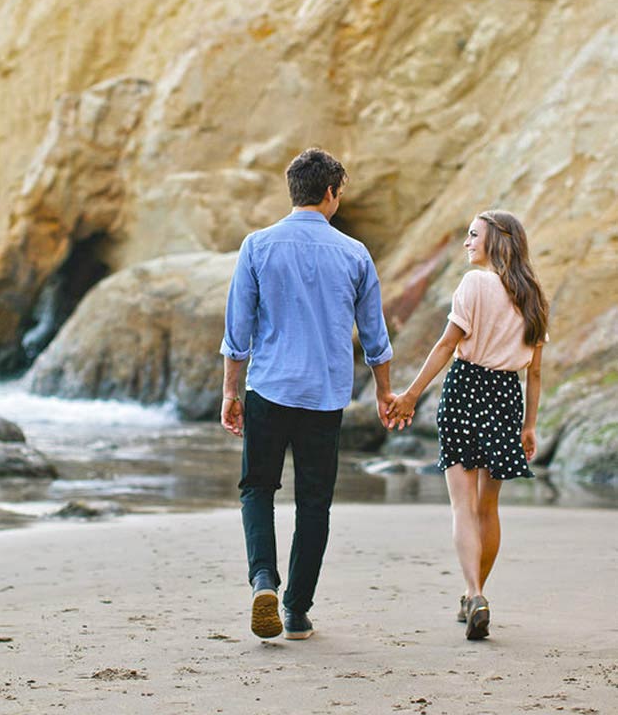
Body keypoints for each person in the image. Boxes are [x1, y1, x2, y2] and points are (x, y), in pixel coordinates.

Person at [220, 147, 399, 640]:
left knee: (258, 488)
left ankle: (263, 580)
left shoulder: (257, 246)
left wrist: (230, 393)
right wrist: (385, 394)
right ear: (330, 192)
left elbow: (239, 332)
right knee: (314, 503)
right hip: (325, 396)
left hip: (270, 389)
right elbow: (375, 337)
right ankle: (297, 611)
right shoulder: (355, 253)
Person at [390, 210, 548, 640]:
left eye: (473, 235)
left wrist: (410, 395)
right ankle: (472, 593)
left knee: (462, 505)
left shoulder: (474, 284)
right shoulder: (532, 293)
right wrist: (529, 425)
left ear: (497, 240)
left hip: (465, 388)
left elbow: (447, 344)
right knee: (488, 508)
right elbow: (534, 371)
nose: (466, 242)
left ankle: (474, 593)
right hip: (505, 397)